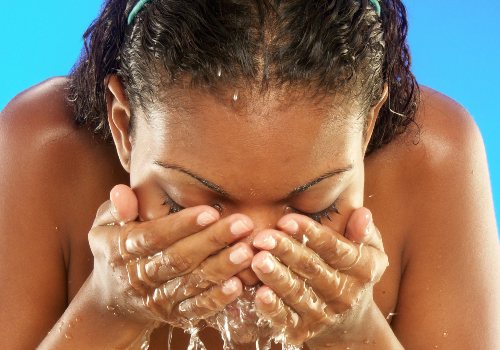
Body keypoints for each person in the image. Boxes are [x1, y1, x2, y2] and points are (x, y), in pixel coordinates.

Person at [0, 0, 498, 349]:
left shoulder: (433, 160)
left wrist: (352, 331)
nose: (255, 257)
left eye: (315, 208)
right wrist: (108, 311)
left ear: (366, 129)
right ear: (125, 127)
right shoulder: (46, 151)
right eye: (186, 204)